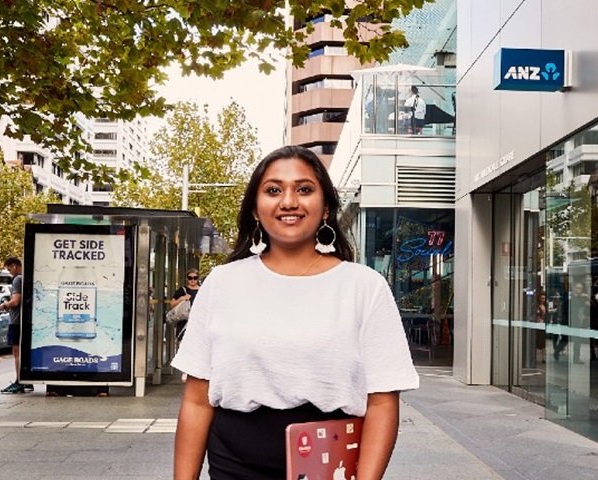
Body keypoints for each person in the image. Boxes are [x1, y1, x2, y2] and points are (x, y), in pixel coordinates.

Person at [172, 145, 419, 480]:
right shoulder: (222, 283)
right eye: (273, 190)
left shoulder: (365, 287)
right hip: (234, 466)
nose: (288, 201)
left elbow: (382, 403)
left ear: (327, 207)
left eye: (304, 189)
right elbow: (197, 401)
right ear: (256, 209)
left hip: (330, 464)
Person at [0, 257, 31, 394]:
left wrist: (4, 306)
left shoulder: (17, 279)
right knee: (23, 352)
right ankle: (26, 380)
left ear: (15, 266)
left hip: (17, 321)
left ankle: (19, 381)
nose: (9, 272)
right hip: (25, 320)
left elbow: (16, 301)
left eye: (9, 268)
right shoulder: (27, 278)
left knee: (17, 352)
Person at [169, 268, 200, 342]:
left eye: (195, 278)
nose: (192, 280)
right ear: (187, 279)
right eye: (190, 278)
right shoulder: (182, 290)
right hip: (184, 323)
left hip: (198, 322)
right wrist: (182, 298)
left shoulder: (202, 290)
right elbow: (172, 304)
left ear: (198, 279)